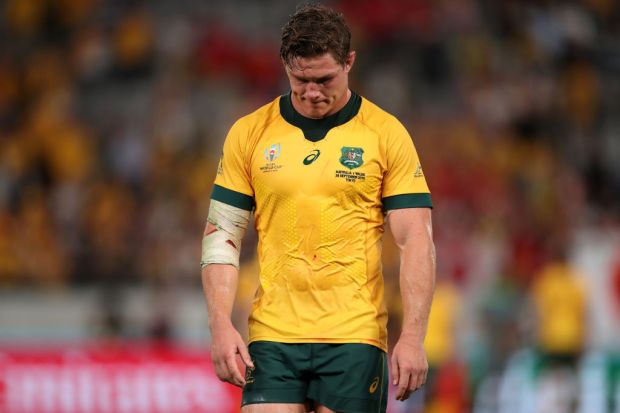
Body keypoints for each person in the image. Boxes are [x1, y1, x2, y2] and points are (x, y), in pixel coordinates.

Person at [201, 4, 435, 413]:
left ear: (349, 62)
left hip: (354, 336)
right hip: (273, 335)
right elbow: (221, 236)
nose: (312, 92)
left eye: (324, 80)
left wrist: (413, 336)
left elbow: (416, 239)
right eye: (300, 80)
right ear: (285, 67)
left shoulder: (386, 134)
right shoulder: (249, 133)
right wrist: (220, 324)